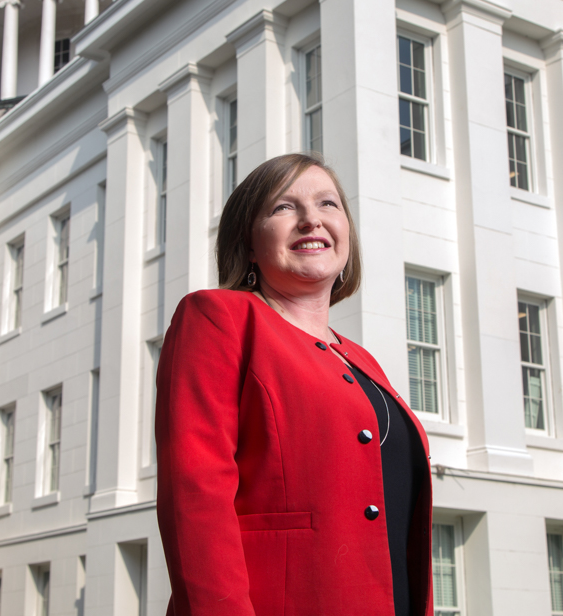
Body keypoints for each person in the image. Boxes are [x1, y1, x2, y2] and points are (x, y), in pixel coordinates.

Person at [155, 153, 433, 616]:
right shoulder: (218, 318)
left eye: (328, 204)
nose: (311, 220)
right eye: (283, 207)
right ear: (247, 243)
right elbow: (196, 496)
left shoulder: (363, 361)